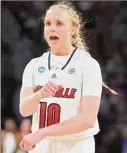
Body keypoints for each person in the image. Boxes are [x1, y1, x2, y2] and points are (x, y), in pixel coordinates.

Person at [19, 1, 116, 153]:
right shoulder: (34, 65)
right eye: (48, 23)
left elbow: (86, 120)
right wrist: (39, 95)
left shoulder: (87, 65)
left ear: (73, 29)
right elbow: (25, 110)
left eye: (59, 23)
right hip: (43, 144)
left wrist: (42, 132)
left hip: (76, 144)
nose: (52, 28)